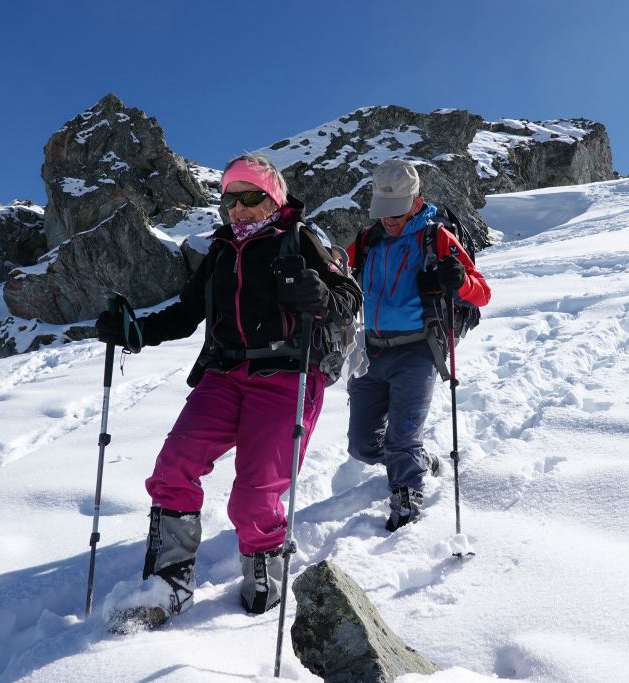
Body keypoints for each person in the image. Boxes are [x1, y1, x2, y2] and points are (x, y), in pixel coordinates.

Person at [95, 153, 362, 626]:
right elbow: (185, 312)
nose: (238, 208)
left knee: (255, 496)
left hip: (287, 375)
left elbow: (348, 296)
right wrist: (132, 330)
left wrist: (321, 297)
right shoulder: (220, 251)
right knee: (173, 467)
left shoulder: (300, 238)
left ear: (273, 198)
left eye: (250, 197)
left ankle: (266, 577)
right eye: (229, 200)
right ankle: (169, 582)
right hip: (224, 375)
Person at [346, 159, 491, 532]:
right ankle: (416, 460)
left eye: (396, 212)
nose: (389, 220)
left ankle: (407, 502)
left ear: (416, 201)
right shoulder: (366, 240)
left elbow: (482, 294)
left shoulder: (437, 237)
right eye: (384, 212)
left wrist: (457, 280)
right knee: (362, 445)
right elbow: (339, 277)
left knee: (402, 438)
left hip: (417, 351)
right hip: (372, 350)